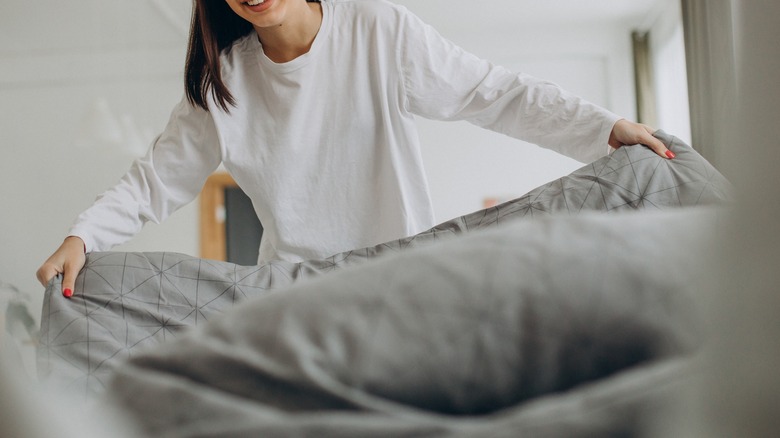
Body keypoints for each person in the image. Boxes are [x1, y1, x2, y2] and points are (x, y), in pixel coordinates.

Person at [36, 0, 673, 297]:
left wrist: (602, 128)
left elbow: (495, 94)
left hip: (403, 280)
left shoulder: (377, 30)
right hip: (292, 293)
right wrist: (83, 236)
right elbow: (156, 181)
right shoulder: (225, 80)